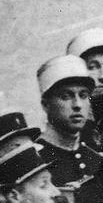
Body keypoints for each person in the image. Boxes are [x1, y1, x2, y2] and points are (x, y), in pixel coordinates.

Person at [36, 53, 95, 181]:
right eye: (66, 96)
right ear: (46, 105)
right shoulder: (35, 160)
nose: (78, 105)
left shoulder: (96, 158)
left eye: (83, 96)